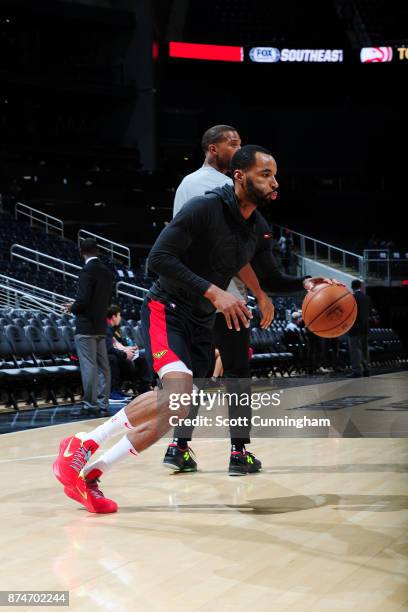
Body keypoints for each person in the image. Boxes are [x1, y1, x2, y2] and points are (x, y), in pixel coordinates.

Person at [53, 145, 341, 513]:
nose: (274, 182)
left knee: (174, 410)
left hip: (202, 323)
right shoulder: (204, 208)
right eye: (265, 174)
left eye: (275, 175)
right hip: (167, 310)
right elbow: (158, 258)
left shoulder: (257, 228)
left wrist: (304, 284)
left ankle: (90, 476)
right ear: (240, 176)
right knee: (178, 392)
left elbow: (269, 278)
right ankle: (84, 443)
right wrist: (213, 291)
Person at [168, 125, 275, 474]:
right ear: (212, 149)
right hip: (217, 295)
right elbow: (229, 252)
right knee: (236, 374)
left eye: (242, 143)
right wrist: (258, 292)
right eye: (233, 144)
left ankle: (178, 446)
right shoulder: (206, 187)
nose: (239, 148)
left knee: (200, 376)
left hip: (206, 295)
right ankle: (238, 453)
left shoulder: (203, 186)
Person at [64, 238, 114, 417]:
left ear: (81, 252)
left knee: (89, 367)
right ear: (98, 251)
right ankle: (103, 403)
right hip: (101, 326)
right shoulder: (107, 272)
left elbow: (83, 300)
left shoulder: (87, 271)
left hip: (86, 327)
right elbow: (108, 301)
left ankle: (89, 405)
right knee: (103, 367)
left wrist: (72, 307)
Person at [106, 304, 152, 400]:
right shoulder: (106, 328)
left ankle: (144, 387)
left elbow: (117, 344)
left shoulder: (113, 329)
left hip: (117, 352)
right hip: (108, 356)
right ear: (114, 317)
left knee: (142, 357)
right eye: (119, 315)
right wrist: (125, 353)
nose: (120, 318)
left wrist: (128, 349)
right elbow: (110, 347)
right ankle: (114, 391)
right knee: (115, 358)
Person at [347, 279, 371, 377]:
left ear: (352, 287)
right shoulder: (367, 298)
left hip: (354, 328)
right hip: (365, 327)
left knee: (355, 349)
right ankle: (366, 369)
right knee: (365, 349)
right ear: (360, 287)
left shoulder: (351, 298)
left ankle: (357, 370)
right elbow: (369, 312)